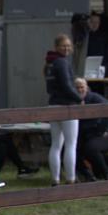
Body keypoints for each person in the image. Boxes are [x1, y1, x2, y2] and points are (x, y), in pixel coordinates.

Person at [45, 33, 82, 185]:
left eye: (68, 46)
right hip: (67, 106)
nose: (66, 48)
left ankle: (55, 178)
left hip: (53, 105)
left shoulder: (50, 63)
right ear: (56, 47)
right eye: (63, 46)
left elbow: (49, 88)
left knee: (55, 144)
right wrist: (79, 99)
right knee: (71, 144)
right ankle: (71, 178)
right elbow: (67, 86)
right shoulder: (62, 63)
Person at [74, 78, 108, 181]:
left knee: (91, 148)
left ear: (86, 88)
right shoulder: (73, 101)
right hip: (86, 137)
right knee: (71, 150)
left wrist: (100, 131)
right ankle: (88, 175)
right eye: (77, 88)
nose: (80, 90)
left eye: (82, 87)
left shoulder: (95, 98)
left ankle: (107, 175)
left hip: (106, 135)